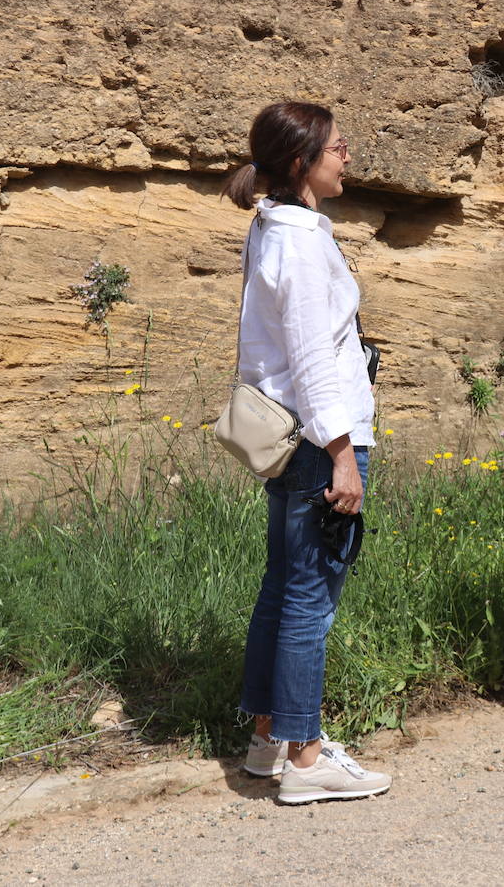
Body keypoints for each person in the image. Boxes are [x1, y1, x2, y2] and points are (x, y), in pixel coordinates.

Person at [220, 101, 390, 804]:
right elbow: (313, 361)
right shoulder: (299, 240)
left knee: (282, 588)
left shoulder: (272, 230)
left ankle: (267, 740)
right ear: (302, 163)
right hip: (319, 442)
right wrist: (344, 453)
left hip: (289, 437)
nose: (347, 155)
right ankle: (307, 755)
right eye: (336, 147)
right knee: (309, 602)